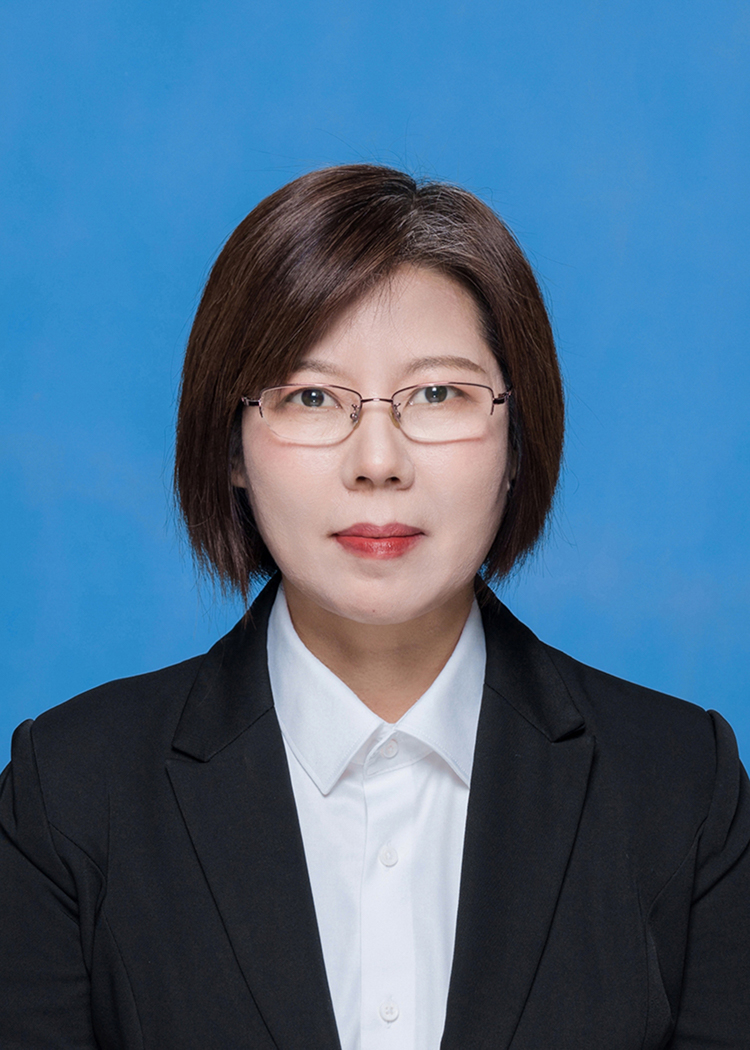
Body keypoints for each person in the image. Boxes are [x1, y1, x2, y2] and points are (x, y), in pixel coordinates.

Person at [1, 164, 748, 1050]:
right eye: (311, 397)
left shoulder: (683, 789)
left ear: (517, 439)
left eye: (438, 393)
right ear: (232, 446)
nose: (379, 462)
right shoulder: (68, 794)